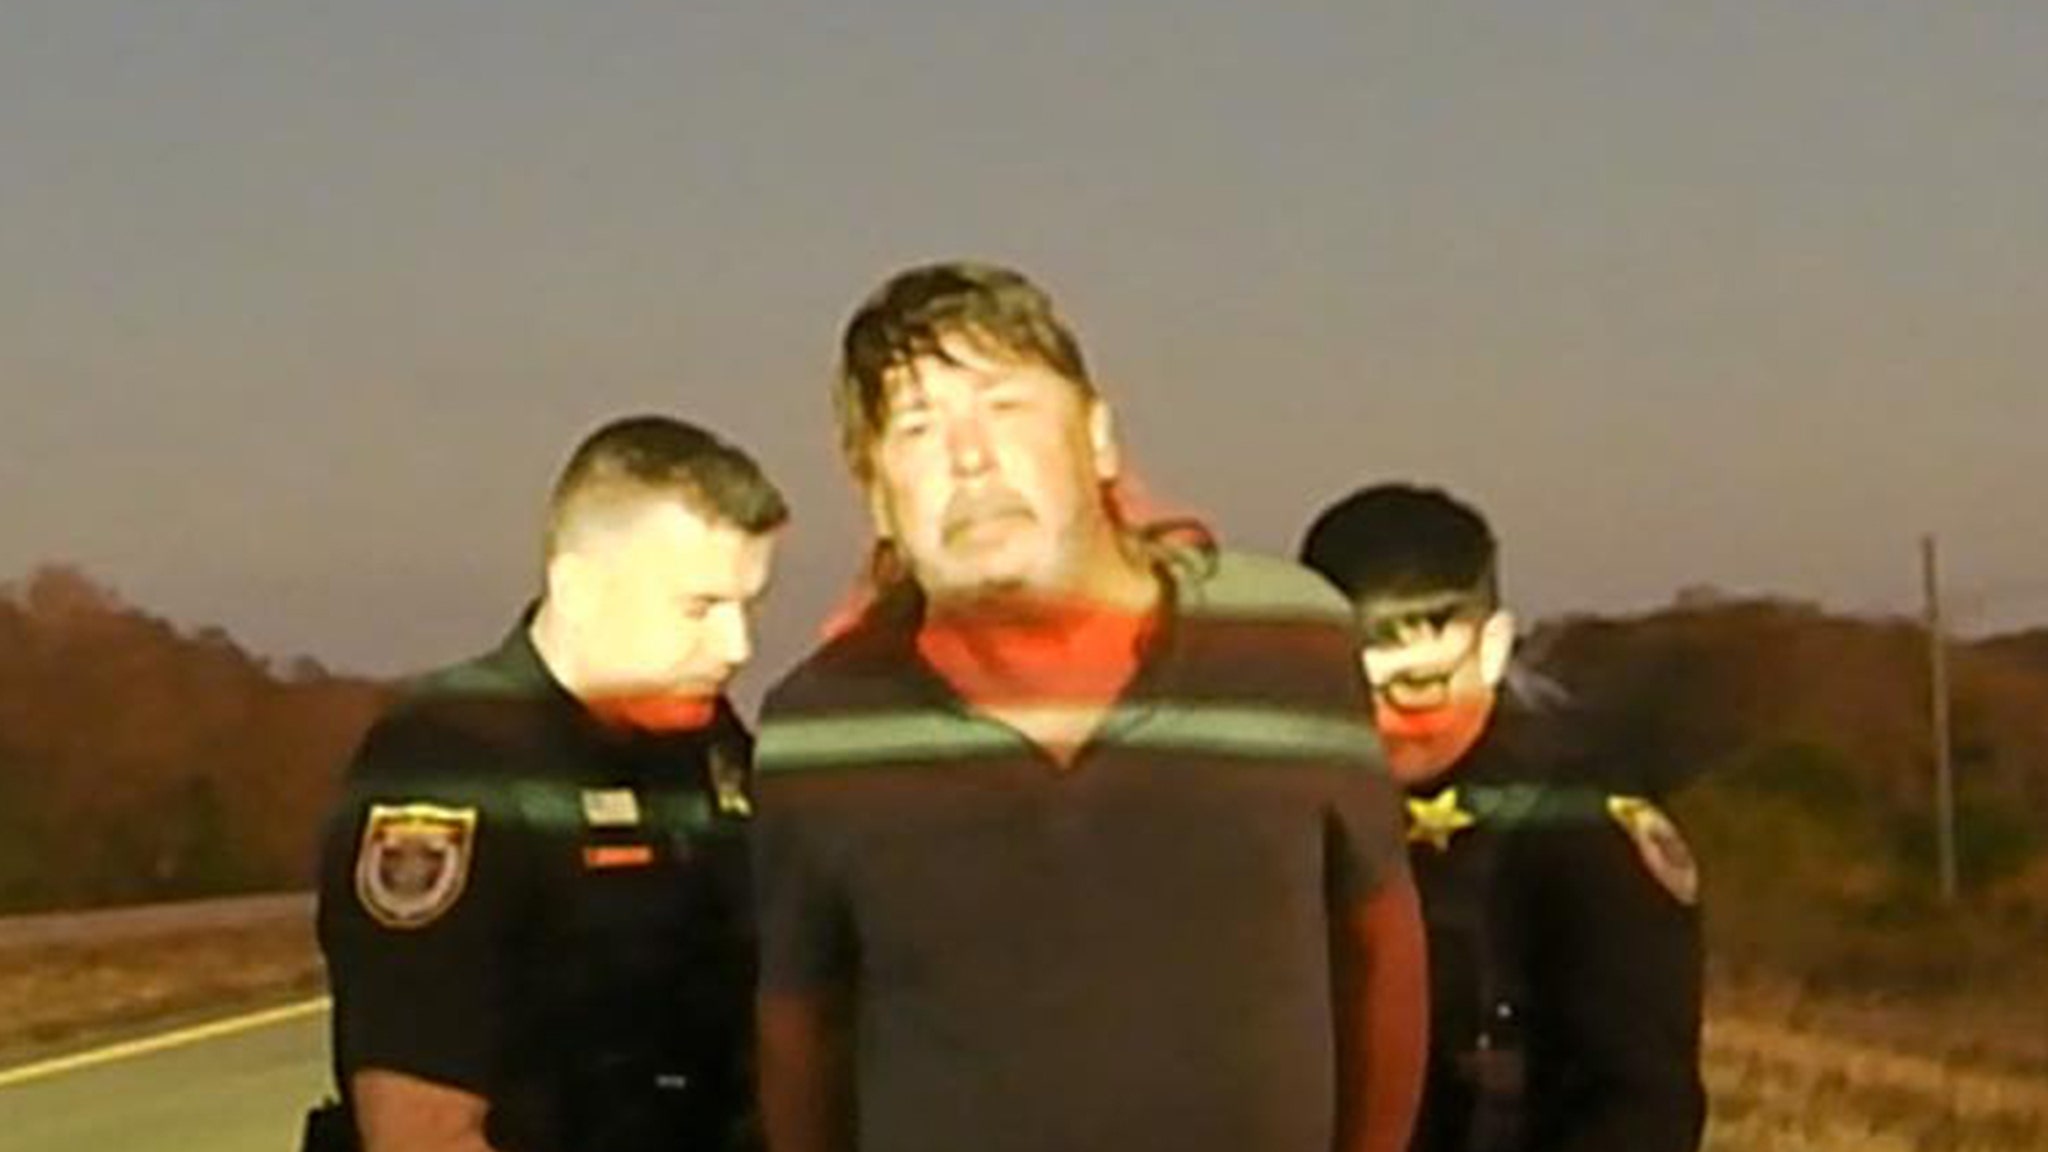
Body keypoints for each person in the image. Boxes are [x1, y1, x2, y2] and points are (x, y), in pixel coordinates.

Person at [749, 261, 1428, 1152]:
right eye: (916, 428)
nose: (969, 458)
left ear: (1100, 439)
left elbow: (1379, 943)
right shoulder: (823, 728)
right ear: (876, 496)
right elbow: (800, 1030)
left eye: (1005, 406)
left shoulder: (1285, 638)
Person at [312, 415, 786, 1152]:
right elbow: (420, 1133)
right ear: (579, 589)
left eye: (749, 607)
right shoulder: (452, 762)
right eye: (699, 609)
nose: (737, 647)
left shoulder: (708, 747)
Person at [1297, 483, 1706, 1152]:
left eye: (1417, 685)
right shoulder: (1290, 796)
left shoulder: (1579, 825)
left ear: (1492, 650)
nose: (1380, 720)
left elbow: (1638, 1102)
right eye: (1348, 688)